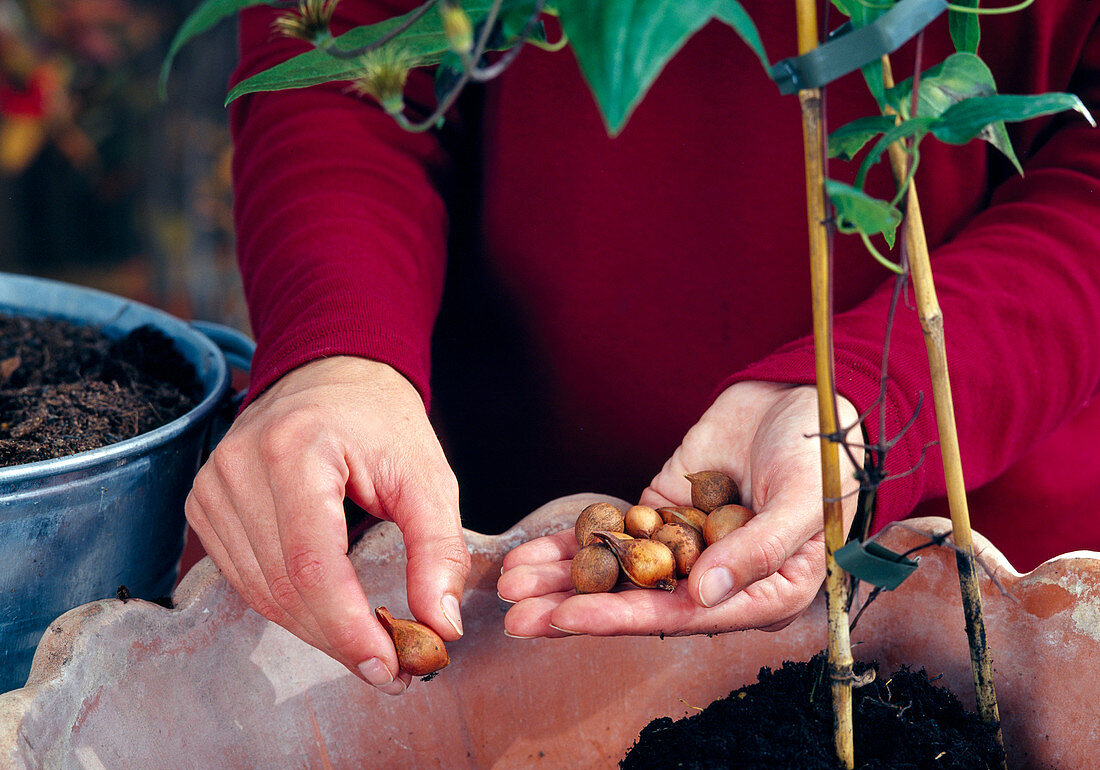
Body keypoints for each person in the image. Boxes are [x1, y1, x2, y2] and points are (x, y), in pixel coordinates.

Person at [185, 0, 1100, 694]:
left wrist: (864, 401)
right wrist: (340, 348)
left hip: (980, 564)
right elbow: (346, 48)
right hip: (486, 548)